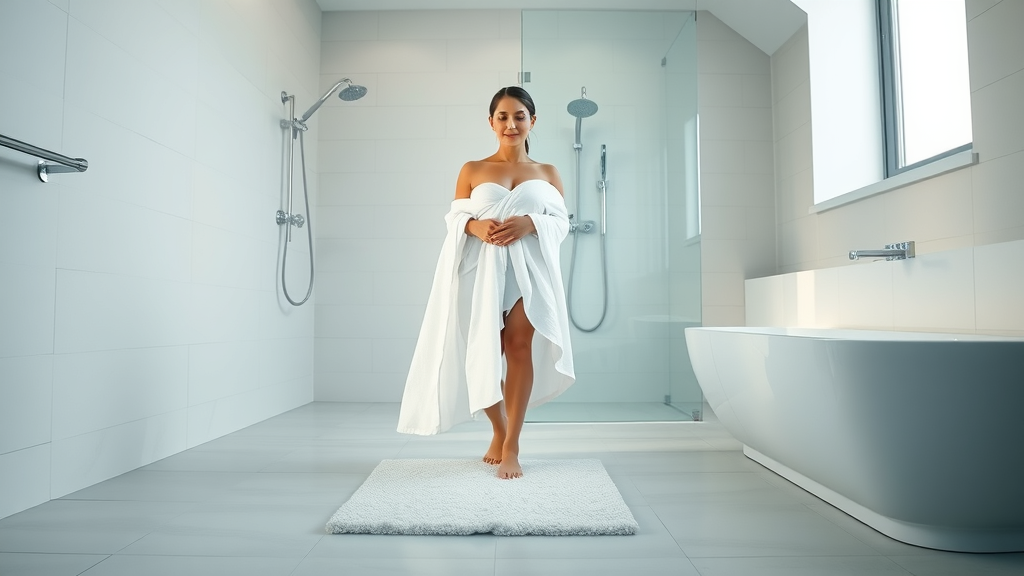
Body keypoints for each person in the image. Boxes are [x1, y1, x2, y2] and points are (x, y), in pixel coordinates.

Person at [397, 86, 575, 479]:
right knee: (479, 351)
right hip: (480, 273)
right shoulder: (473, 169)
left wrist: (532, 222)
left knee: (518, 348)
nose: (511, 125)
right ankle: (498, 428)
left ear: (532, 120)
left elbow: (562, 223)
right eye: (503, 117)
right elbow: (454, 218)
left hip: (530, 275)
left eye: (519, 116)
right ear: (491, 121)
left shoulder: (547, 173)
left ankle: (512, 444)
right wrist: (474, 225)